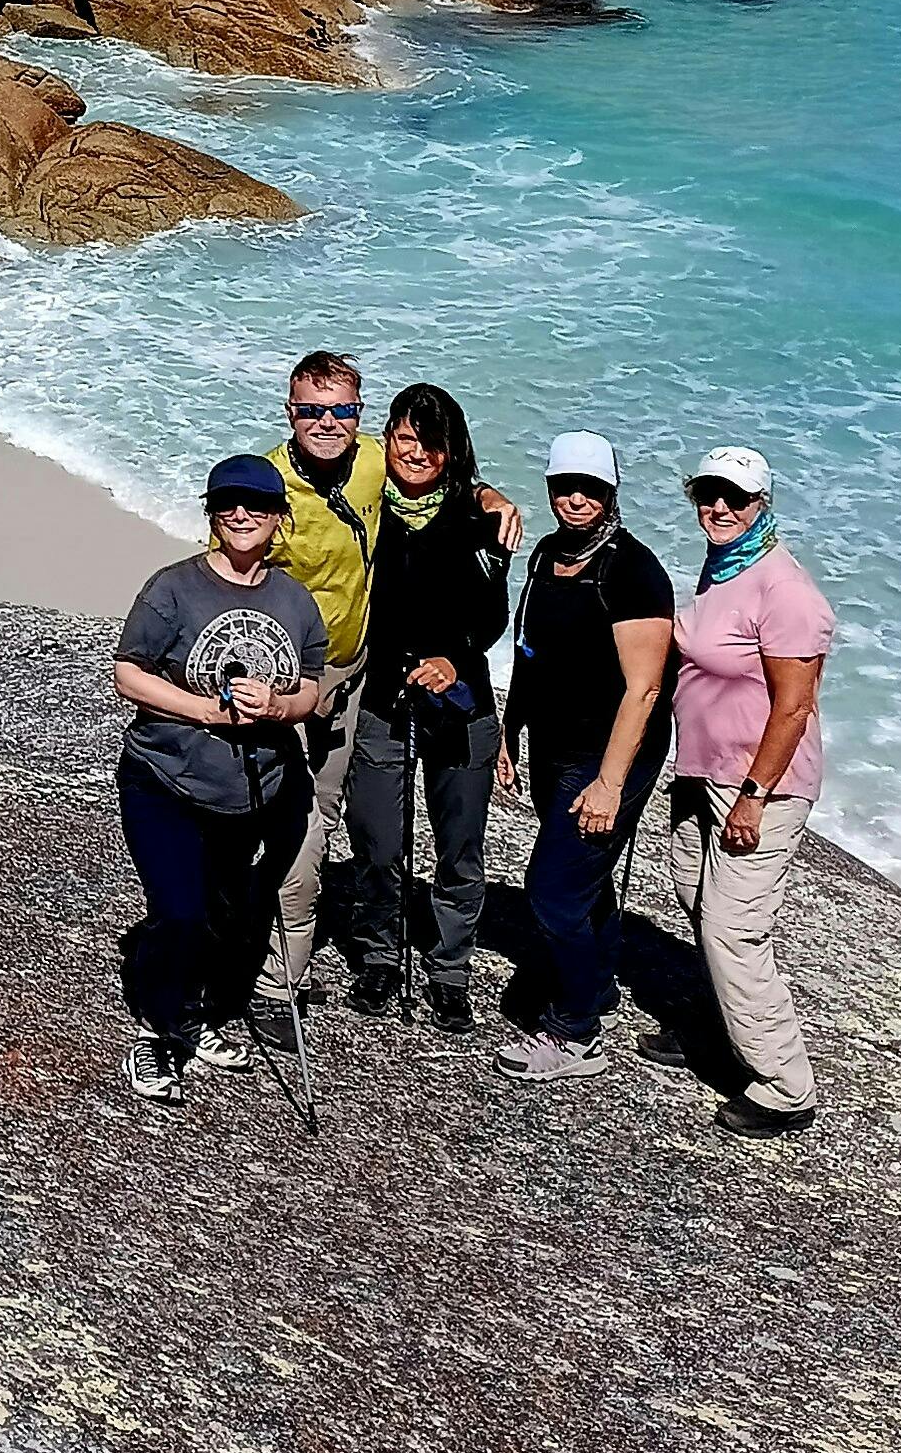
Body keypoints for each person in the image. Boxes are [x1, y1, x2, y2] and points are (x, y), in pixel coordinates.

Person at [108, 455, 332, 1102]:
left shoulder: (294, 601)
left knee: (221, 914)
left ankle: (200, 1012)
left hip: (250, 794)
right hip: (164, 782)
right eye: (227, 504)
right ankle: (161, 1034)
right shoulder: (172, 589)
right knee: (178, 911)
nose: (241, 515)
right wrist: (207, 709)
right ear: (211, 513)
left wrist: (277, 707)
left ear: (279, 519)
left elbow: (310, 691)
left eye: (257, 506)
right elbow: (130, 673)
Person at [651, 444, 838, 1137]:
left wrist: (757, 794)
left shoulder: (787, 593)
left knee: (734, 928)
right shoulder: (725, 565)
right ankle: (719, 1034)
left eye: (736, 498)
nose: (719, 508)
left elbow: (794, 706)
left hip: (758, 785)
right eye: (708, 493)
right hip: (705, 771)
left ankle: (786, 1084)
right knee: (695, 898)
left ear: (764, 504)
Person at [495, 433, 677, 1083]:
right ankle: (595, 985)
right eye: (565, 486)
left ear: (611, 493)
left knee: (552, 893)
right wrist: (508, 732)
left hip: (606, 758)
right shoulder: (548, 554)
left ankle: (577, 1033)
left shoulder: (633, 571)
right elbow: (529, 650)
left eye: (591, 488)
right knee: (583, 882)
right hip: (553, 745)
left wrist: (608, 782)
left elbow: (646, 688)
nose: (576, 498)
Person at [342, 382, 518, 1030]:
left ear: (452, 451)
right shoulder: (362, 508)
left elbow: (493, 613)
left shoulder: (483, 519)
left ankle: (448, 972)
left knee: (459, 850)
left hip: (461, 703)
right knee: (378, 842)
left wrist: (455, 655)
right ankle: (380, 955)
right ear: (385, 439)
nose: (416, 453)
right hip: (382, 702)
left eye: (431, 443)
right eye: (404, 438)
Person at [247, 351, 379, 1018]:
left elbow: (438, 480)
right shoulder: (267, 483)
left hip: (353, 668)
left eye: (341, 411)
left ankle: (280, 959)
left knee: (322, 815)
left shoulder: (376, 462)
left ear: (360, 414)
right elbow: (232, 579)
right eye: (311, 410)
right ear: (289, 412)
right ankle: (276, 984)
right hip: (289, 676)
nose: (326, 423)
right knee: (293, 822)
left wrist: (491, 499)